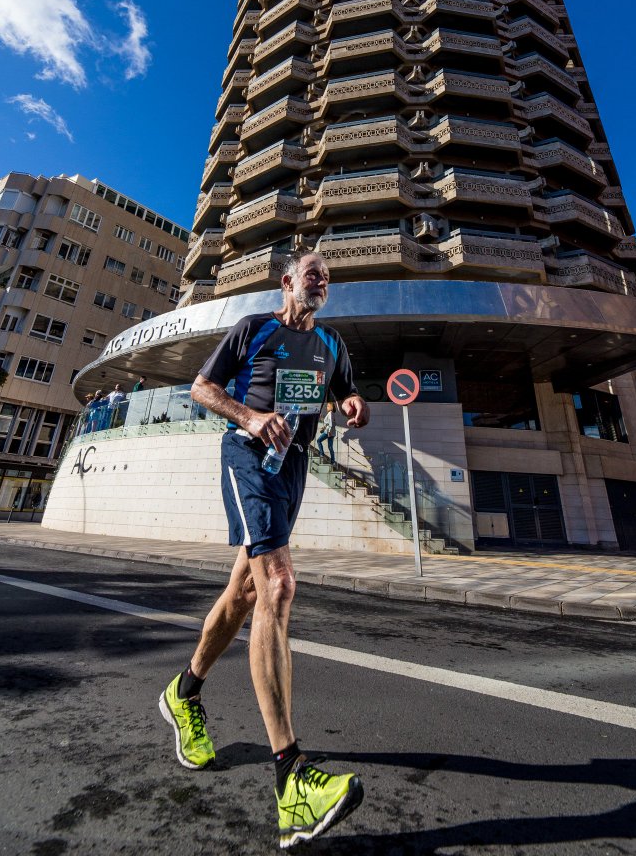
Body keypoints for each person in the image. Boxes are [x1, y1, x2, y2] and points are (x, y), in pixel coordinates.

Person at [159, 250, 369, 848]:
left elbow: (345, 398)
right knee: (278, 584)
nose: (322, 280)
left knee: (246, 590)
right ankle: (292, 782)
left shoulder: (333, 344)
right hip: (248, 456)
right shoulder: (255, 328)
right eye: (312, 273)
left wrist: (353, 406)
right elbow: (202, 387)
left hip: (293, 469)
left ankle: (185, 692)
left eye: (329, 275)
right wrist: (250, 417)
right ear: (287, 282)